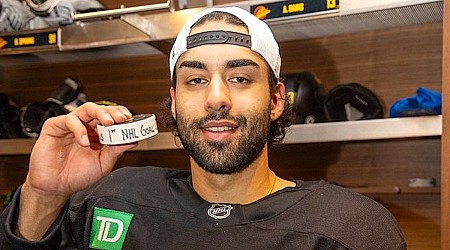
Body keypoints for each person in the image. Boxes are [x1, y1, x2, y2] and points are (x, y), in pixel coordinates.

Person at [0, 6, 406, 249]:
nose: (216, 98)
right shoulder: (112, 199)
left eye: (240, 78)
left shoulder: (348, 227)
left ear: (277, 100)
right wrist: (43, 194)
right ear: (174, 102)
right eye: (195, 80)